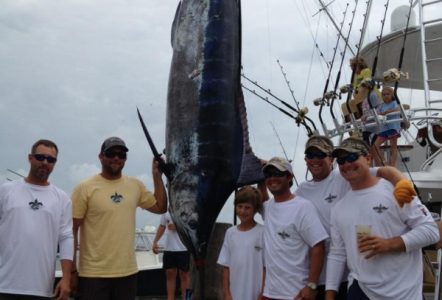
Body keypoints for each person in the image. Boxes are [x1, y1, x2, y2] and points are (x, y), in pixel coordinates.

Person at [295, 135, 413, 300]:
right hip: (320, 274)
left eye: (321, 155)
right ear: (305, 159)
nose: (315, 159)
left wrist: (402, 184)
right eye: (311, 155)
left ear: (330, 159)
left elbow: (386, 171)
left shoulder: (344, 174)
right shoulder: (301, 191)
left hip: (351, 273)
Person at [325, 138, 439, 300]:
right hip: (361, 290)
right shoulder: (338, 208)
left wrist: (389, 244)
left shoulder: (397, 190)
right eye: (341, 160)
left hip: (402, 293)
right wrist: (330, 294)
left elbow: (431, 231)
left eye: (352, 157)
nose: (346, 164)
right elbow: (337, 253)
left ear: (368, 159)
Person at [70, 137, 167, 300]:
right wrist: (71, 272)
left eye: (121, 154)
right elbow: (71, 231)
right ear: (101, 156)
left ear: (125, 159)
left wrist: (157, 177)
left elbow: (160, 207)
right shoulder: (84, 188)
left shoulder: (135, 185)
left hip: (127, 273)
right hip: (93, 274)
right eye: (111, 153)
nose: (116, 158)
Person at [0, 139, 73, 300]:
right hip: (4, 285)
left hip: (42, 288)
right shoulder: (6, 191)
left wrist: (66, 279)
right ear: (30, 158)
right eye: (40, 157)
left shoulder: (61, 198)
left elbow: (66, 237)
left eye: (51, 159)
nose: (45, 162)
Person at [262, 157, 327, 300]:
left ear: (290, 177)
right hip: (270, 293)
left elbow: (318, 245)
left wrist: (311, 285)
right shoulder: (267, 207)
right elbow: (262, 196)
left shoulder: (303, 207)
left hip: (296, 294)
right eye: (269, 174)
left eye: (278, 173)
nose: (273, 178)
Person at [217, 186, 265, 300]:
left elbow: (267, 267)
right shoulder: (230, 233)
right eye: (239, 206)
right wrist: (226, 293)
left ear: (256, 209)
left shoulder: (263, 232)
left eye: (248, 207)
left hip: (256, 294)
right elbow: (226, 266)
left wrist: (263, 293)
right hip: (234, 294)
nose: (243, 211)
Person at [152, 212, 190, 300]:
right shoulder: (166, 209)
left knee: (184, 274)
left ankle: (185, 298)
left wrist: (178, 227)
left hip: (184, 247)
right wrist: (155, 241)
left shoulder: (185, 207)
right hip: (169, 247)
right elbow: (162, 225)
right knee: (169, 274)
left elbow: (192, 225)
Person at [341, 56, 382, 121]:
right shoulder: (355, 75)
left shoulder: (366, 71)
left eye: (353, 66)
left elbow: (364, 86)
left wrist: (356, 89)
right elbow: (355, 87)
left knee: (359, 92)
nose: (351, 68)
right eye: (350, 66)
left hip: (372, 97)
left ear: (359, 65)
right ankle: (355, 121)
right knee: (346, 105)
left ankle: (362, 113)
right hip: (362, 100)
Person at [372, 87, 402, 167]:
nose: (386, 96)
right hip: (383, 129)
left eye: (388, 94)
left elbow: (398, 109)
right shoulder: (382, 106)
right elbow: (376, 113)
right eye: (384, 95)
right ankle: (385, 163)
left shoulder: (395, 103)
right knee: (375, 146)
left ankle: (392, 166)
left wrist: (387, 111)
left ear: (392, 95)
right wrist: (380, 113)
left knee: (393, 148)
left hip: (393, 127)